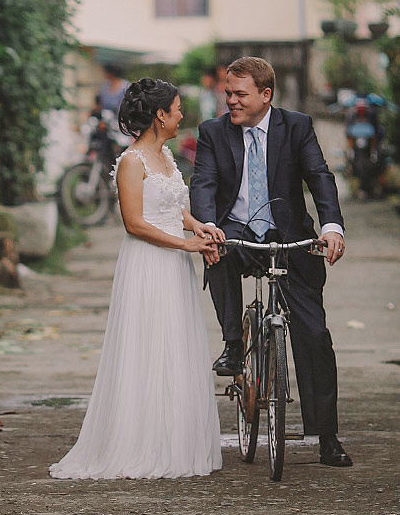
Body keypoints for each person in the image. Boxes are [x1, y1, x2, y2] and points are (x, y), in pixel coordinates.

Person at [50, 78, 223, 480]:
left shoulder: (166, 156)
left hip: (175, 262)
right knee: (147, 347)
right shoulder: (132, 161)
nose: (182, 115)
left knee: (174, 345)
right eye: (177, 108)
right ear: (160, 115)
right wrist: (185, 246)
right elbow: (134, 223)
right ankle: (139, 443)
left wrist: (200, 227)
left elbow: (176, 208)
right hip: (148, 262)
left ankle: (173, 440)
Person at [190, 56, 352, 468]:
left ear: (266, 94)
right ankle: (232, 343)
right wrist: (206, 226)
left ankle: (326, 435)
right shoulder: (212, 131)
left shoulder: (296, 126)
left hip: (291, 235)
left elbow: (319, 176)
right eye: (227, 92)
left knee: (315, 335)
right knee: (217, 250)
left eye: (239, 94)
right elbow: (204, 182)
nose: (230, 101)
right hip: (237, 233)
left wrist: (332, 225)